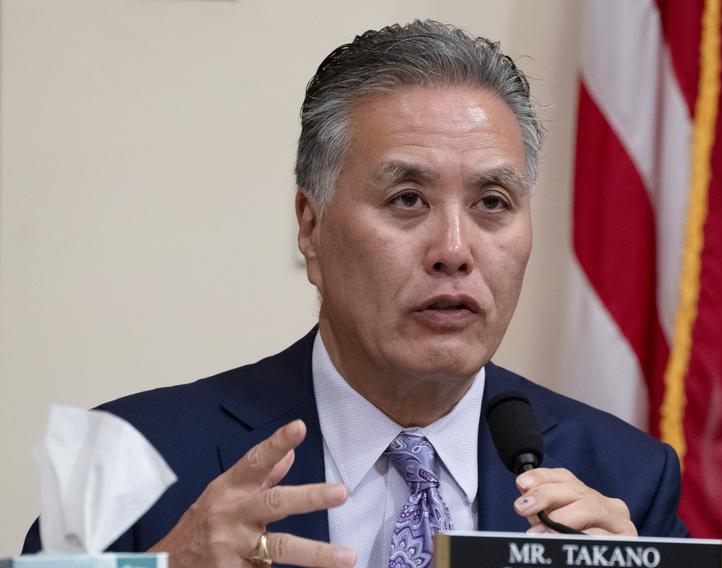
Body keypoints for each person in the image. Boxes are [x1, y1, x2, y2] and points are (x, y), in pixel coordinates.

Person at [23, 19, 687, 568]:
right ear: (310, 229)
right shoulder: (132, 463)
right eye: (406, 199)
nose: (454, 250)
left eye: (492, 201)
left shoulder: (628, 480)